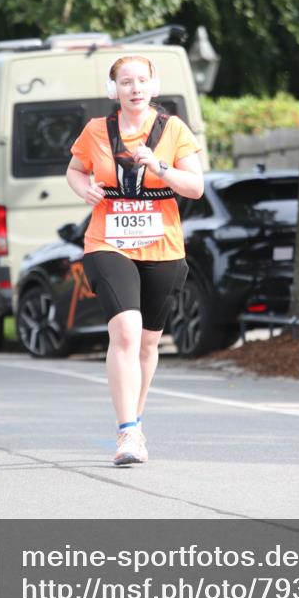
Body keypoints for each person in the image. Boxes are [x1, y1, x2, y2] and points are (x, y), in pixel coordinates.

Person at [66, 53, 204, 466]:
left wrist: (159, 165)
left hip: (162, 244)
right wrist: (84, 190)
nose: (135, 88)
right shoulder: (95, 131)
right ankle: (126, 433)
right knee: (125, 332)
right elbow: (73, 170)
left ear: (153, 86)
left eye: (141, 81)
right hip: (108, 242)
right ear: (115, 90)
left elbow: (195, 187)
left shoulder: (173, 130)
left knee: (147, 342)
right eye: (126, 82)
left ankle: (136, 421)